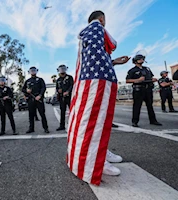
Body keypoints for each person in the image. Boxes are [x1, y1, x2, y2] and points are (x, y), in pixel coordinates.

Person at [67, 11, 133, 186]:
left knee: (100, 122)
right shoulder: (96, 28)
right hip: (94, 83)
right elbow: (104, 50)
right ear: (102, 19)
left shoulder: (89, 34)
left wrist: (114, 62)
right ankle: (95, 160)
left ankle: (100, 152)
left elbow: (97, 58)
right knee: (94, 120)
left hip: (91, 81)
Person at [126, 50, 162, 127]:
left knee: (150, 106)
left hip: (148, 89)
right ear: (136, 61)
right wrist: (137, 80)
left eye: (142, 59)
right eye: (140, 59)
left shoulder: (147, 69)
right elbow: (127, 80)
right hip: (138, 89)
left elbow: (150, 77)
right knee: (137, 106)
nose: (142, 60)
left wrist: (152, 79)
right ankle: (135, 121)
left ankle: (153, 120)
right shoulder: (132, 70)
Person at [22, 66, 49, 133]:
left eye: (34, 70)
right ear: (29, 72)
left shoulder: (40, 80)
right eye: (31, 71)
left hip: (39, 99)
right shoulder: (27, 81)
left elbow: (43, 88)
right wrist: (26, 91)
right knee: (31, 115)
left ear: (36, 71)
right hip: (31, 99)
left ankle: (46, 128)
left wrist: (40, 95)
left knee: (42, 114)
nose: (33, 72)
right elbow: (23, 89)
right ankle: (31, 128)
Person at [56, 64, 74, 131]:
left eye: (63, 69)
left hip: (69, 97)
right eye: (61, 69)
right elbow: (57, 88)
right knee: (62, 112)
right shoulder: (58, 80)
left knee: (72, 111)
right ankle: (62, 125)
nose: (62, 70)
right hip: (62, 98)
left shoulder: (69, 77)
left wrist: (68, 91)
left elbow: (72, 85)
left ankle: (73, 124)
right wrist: (58, 91)